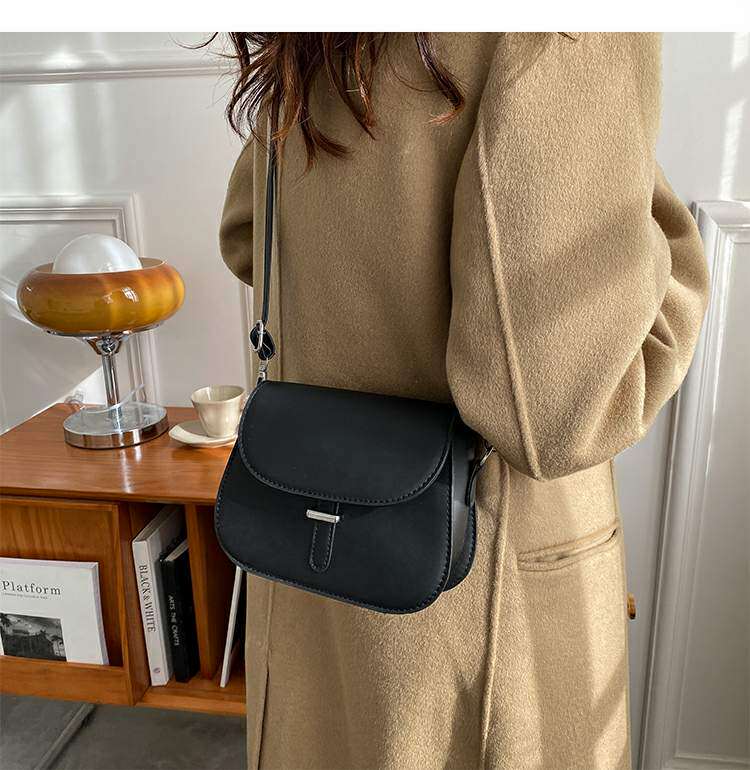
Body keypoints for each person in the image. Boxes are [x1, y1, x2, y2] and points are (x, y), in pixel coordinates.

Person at [218, 32, 709, 770]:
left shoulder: (316, 35)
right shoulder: (566, 33)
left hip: (314, 566)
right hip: (472, 603)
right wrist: (677, 259)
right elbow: (556, 414)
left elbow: (245, 235)